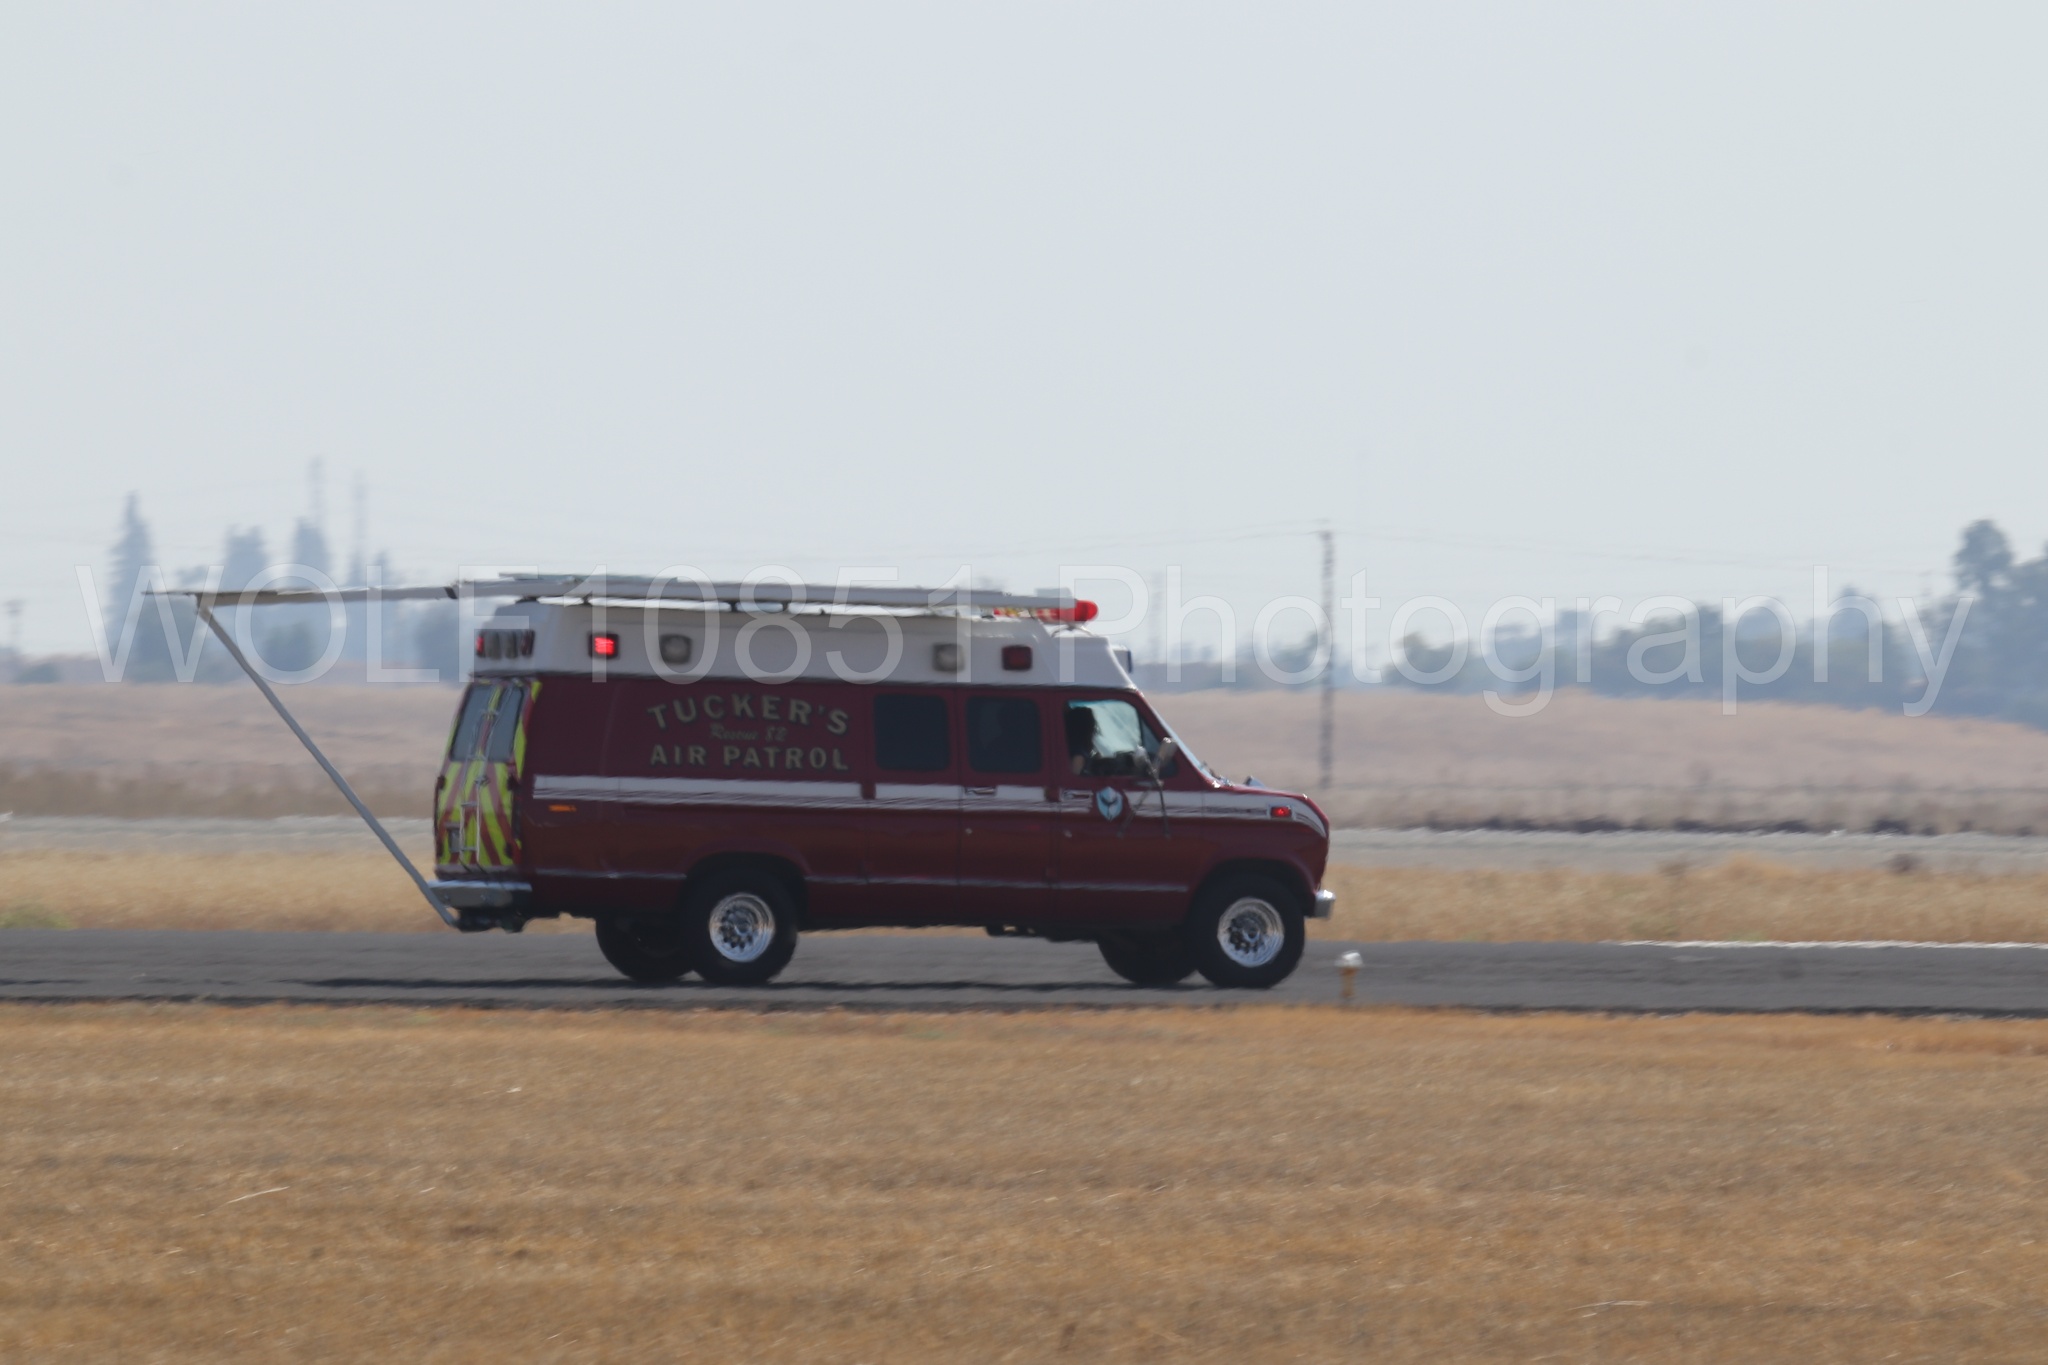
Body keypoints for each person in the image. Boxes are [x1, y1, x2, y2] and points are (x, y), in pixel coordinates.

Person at [1065, 705, 1098, 775]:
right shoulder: (1078, 755)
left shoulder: (1071, 748)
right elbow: (1072, 779)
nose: (1094, 730)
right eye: (1092, 725)